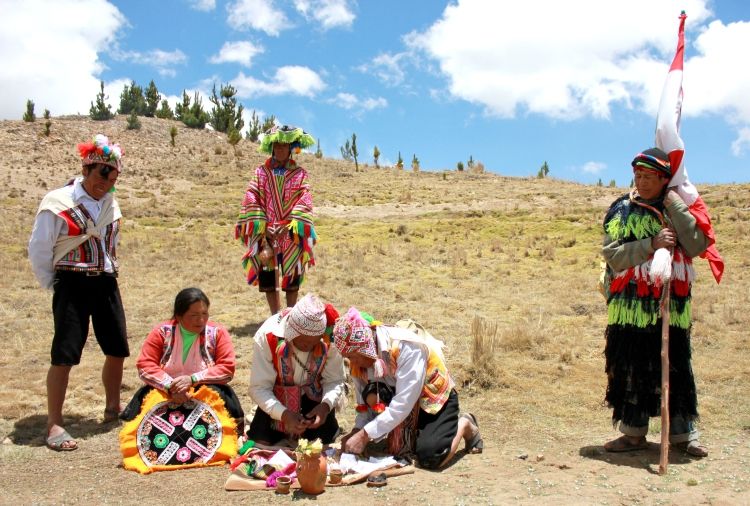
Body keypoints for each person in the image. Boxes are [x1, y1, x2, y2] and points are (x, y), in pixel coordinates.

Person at [601, 148, 710, 457]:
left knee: (675, 367)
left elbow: (697, 245)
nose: (642, 181)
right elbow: (612, 254)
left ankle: (681, 435)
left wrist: (675, 207)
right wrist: (651, 244)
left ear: (665, 179)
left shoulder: (678, 205)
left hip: (670, 306)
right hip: (630, 306)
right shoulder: (622, 209)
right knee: (632, 368)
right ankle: (632, 434)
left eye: (649, 177)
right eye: (638, 175)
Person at [28, 134, 128, 452]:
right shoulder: (58, 202)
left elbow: (110, 244)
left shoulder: (111, 204)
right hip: (72, 282)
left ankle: (113, 408)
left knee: (117, 347)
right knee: (65, 353)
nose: (107, 183)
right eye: (103, 174)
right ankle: (54, 422)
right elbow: (40, 247)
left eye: (113, 177)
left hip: (105, 281)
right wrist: (53, 283)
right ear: (87, 168)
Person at [332, 309, 483, 469]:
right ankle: (407, 438)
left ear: (365, 347)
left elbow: (403, 403)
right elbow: (363, 402)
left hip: (430, 401)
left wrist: (364, 435)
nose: (352, 362)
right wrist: (358, 430)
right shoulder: (360, 361)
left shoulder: (406, 346)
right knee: (370, 392)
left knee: (431, 457)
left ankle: (465, 424)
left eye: (353, 356)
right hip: (399, 399)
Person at [120, 288, 244, 433]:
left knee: (220, 407)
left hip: (205, 389)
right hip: (165, 389)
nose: (201, 320)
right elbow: (145, 366)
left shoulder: (217, 333)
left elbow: (227, 368)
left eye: (205, 314)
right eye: (194, 315)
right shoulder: (161, 332)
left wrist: (192, 379)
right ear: (179, 316)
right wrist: (171, 387)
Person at [235, 125, 317, 315]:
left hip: (290, 233)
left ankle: (290, 314)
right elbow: (251, 196)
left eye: (284, 146)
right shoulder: (261, 173)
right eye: (277, 146)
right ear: (272, 147)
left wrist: (290, 223)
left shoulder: (300, 174)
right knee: (268, 275)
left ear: (291, 148)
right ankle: (274, 315)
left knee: (293, 274)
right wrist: (263, 226)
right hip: (267, 234)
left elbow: (305, 198)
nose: (280, 149)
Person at [247, 293, 345, 446]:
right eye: (304, 342)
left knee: (321, 443)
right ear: (291, 332)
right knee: (261, 441)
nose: (309, 347)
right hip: (277, 399)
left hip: (314, 399)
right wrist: (284, 414)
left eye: (314, 342)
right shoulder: (267, 337)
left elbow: (335, 380)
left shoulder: (328, 338)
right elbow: (259, 387)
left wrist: (325, 407)